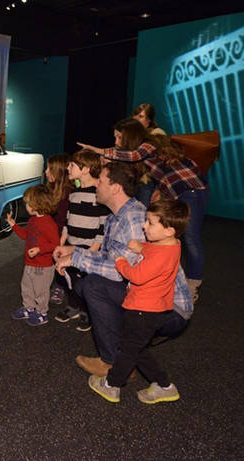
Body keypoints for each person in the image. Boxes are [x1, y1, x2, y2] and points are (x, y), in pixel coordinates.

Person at [54, 162, 193, 376]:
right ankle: (126, 349)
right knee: (86, 285)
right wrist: (74, 251)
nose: (96, 186)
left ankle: (114, 362)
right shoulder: (115, 216)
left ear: (115, 188)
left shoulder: (134, 218)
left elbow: (118, 269)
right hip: (149, 298)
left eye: (100, 181)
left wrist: (75, 259)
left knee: (93, 286)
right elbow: (113, 258)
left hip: (169, 309)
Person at [78, 119, 209, 302]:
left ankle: (192, 284)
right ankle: (167, 279)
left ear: (130, 136)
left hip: (192, 189)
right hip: (177, 191)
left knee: (190, 238)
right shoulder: (143, 154)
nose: (116, 142)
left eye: (118, 137)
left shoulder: (149, 144)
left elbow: (133, 156)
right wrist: (159, 190)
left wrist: (98, 150)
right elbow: (157, 173)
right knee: (169, 234)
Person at [88, 199, 189, 404]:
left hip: (143, 310)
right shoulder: (172, 245)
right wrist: (141, 246)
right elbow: (155, 250)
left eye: (150, 223)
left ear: (169, 230)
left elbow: (137, 275)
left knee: (127, 351)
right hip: (154, 309)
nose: (144, 226)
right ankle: (164, 386)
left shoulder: (160, 255)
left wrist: (120, 261)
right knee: (136, 349)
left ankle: (112, 385)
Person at [54, 149, 109, 332]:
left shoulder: (98, 194)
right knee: (69, 278)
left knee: (84, 282)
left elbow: (102, 225)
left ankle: (86, 311)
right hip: (71, 245)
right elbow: (68, 220)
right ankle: (73, 306)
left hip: (89, 248)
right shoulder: (74, 193)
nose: (68, 168)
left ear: (85, 169)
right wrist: (63, 241)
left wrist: (94, 248)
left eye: (71, 165)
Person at [8, 185, 60, 326]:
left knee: (41, 291)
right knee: (26, 287)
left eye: (28, 203)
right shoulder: (33, 220)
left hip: (43, 266)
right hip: (30, 263)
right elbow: (27, 235)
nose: (26, 205)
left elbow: (56, 243)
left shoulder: (49, 223)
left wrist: (39, 249)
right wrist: (14, 226)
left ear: (38, 203)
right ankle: (29, 308)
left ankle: (42, 313)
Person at [44, 153, 74, 306]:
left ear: (58, 172)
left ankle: (61, 285)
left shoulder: (68, 194)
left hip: (63, 236)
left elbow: (63, 222)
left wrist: (56, 240)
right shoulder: (50, 189)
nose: (46, 172)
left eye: (49, 169)